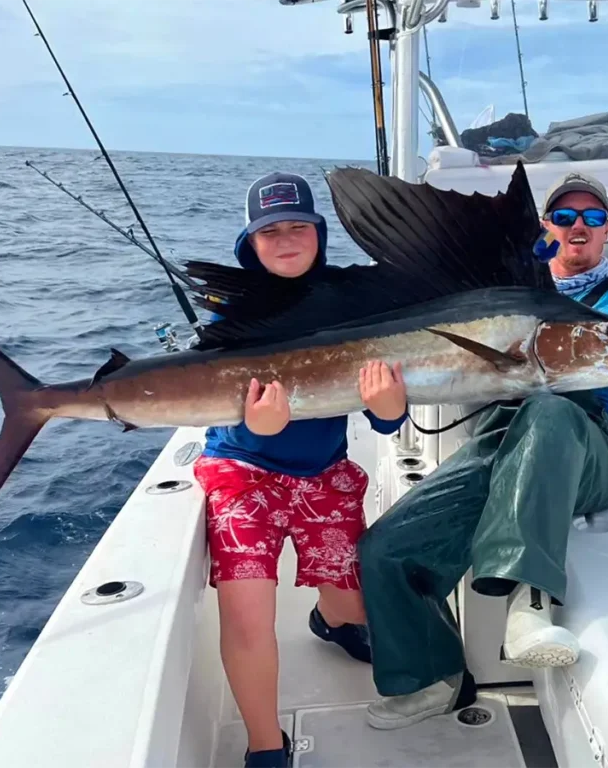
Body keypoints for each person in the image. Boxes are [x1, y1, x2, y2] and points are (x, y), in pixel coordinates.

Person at [356, 170, 608, 730]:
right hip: (504, 442)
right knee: (386, 548)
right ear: (548, 227)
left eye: (592, 217)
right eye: (565, 216)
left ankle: (533, 601)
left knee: (550, 409)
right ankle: (431, 680)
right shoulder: (516, 292)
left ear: (607, 231)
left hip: (595, 445)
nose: (578, 226)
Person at [193, 172, 408, 767]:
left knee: (353, 609)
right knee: (247, 610)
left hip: (324, 473)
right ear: (251, 243)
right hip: (242, 471)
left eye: (298, 227)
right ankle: (266, 744)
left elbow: (383, 408)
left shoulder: (354, 300)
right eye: (270, 232)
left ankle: (330, 619)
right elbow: (222, 400)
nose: (285, 240)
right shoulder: (233, 314)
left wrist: (391, 414)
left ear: (318, 233)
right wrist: (252, 429)